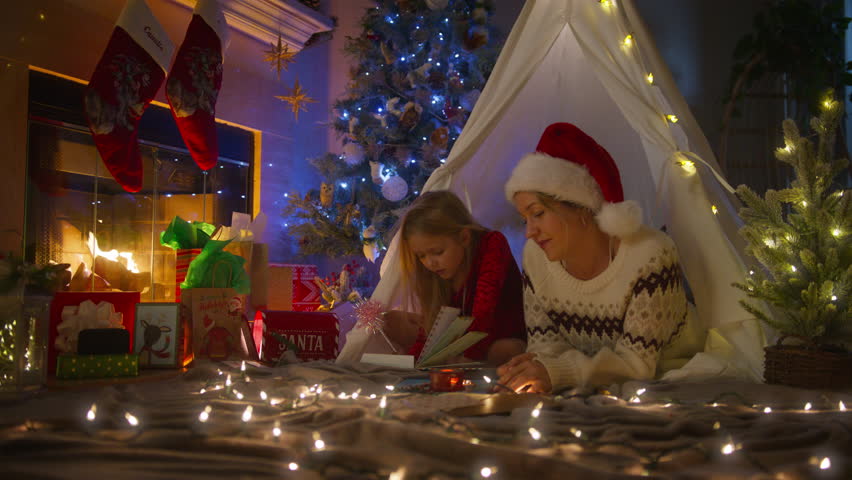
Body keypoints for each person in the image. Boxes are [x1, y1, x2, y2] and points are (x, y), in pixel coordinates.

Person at [498, 123, 691, 393]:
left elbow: (639, 365)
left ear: (581, 209)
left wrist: (556, 370)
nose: (530, 232)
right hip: (592, 386)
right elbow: (545, 344)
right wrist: (535, 366)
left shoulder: (649, 254)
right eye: (524, 219)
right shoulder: (536, 255)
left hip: (670, 381)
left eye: (538, 213)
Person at [383, 190, 527, 366]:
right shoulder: (434, 273)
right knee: (391, 321)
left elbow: (483, 315)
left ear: (464, 237)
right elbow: (432, 326)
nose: (430, 263)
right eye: (421, 256)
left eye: (437, 252)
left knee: (505, 350)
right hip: (457, 339)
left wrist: (464, 359)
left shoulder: (492, 244)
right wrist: (416, 362)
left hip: (497, 337)